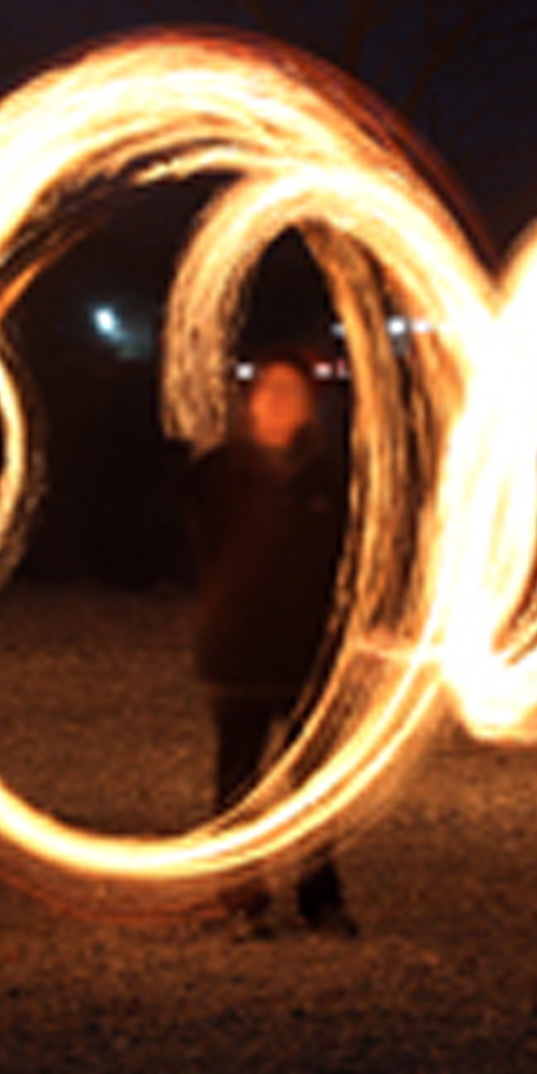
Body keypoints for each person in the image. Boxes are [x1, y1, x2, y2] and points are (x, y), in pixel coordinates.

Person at [188, 346, 354, 939]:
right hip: (237, 652)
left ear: (310, 404)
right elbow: (185, 546)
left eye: (294, 392)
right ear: (250, 401)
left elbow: (351, 561)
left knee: (312, 783)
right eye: (270, 390)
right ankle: (243, 900)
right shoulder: (217, 472)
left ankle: (320, 896)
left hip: (307, 653)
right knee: (239, 783)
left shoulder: (330, 476)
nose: (281, 402)